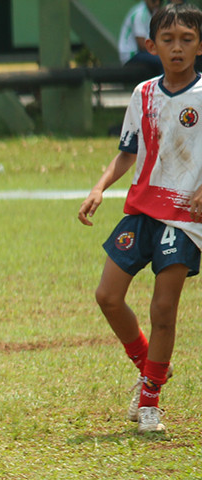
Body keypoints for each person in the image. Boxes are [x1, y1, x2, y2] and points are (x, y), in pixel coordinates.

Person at [78, 2, 202, 434]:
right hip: (142, 211)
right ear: (151, 46)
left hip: (183, 218)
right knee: (107, 296)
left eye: (187, 39)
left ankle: (150, 400)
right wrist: (99, 187)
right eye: (167, 40)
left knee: (163, 308)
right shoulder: (143, 94)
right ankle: (152, 366)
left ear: (200, 44)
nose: (177, 48)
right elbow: (127, 151)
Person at [119, 0, 165, 79]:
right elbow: (142, 45)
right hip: (131, 54)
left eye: (160, 1)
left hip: (142, 53)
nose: (157, 3)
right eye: (154, 1)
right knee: (163, 60)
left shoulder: (152, 13)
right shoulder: (139, 14)